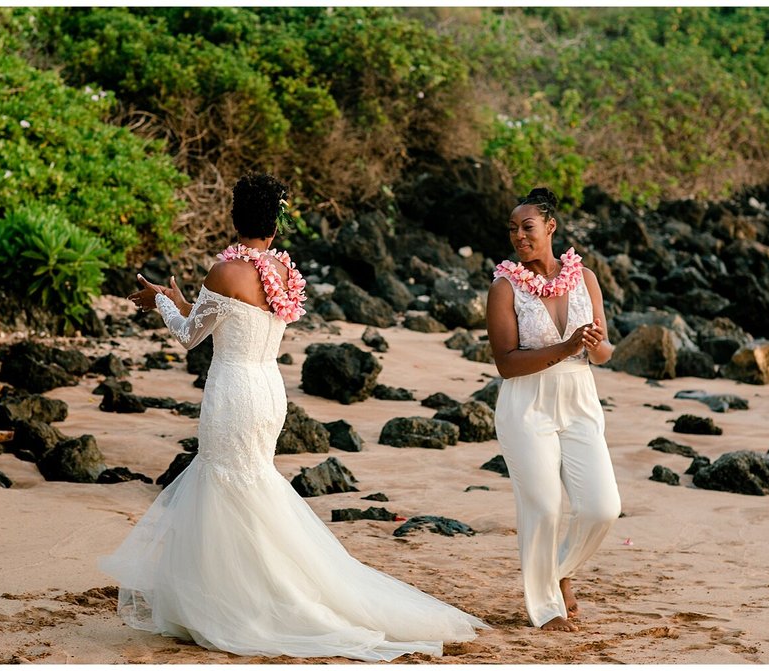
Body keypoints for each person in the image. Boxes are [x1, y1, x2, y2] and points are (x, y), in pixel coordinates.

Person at [99, 173, 487, 661]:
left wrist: (161, 301)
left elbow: (189, 335)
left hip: (233, 390)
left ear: (234, 216)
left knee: (225, 484)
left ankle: (238, 600)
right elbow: (218, 318)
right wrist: (182, 303)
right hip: (269, 392)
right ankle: (256, 589)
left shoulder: (224, 271)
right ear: (276, 224)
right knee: (250, 484)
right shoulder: (281, 272)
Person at [485, 187, 621, 633]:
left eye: (527, 227)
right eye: (512, 229)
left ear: (550, 228)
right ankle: (545, 608)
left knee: (602, 507)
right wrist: (565, 346)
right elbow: (506, 363)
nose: (519, 236)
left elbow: (602, 353)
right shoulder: (504, 287)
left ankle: (560, 570)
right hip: (527, 404)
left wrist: (594, 345)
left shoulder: (586, 279)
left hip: (579, 400)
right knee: (543, 506)